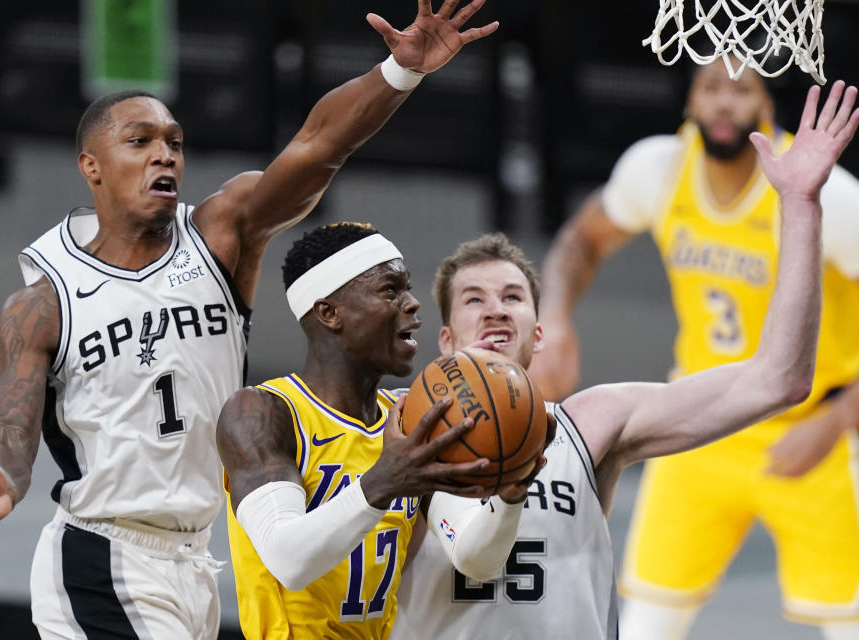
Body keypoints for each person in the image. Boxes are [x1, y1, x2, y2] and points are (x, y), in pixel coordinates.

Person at [0, 2, 499, 638]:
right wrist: (0, 473)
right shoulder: (44, 299)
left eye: (174, 143)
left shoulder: (220, 236)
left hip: (195, 562)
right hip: (100, 552)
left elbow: (316, 148)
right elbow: (11, 423)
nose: (164, 156)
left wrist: (398, 72)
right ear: (90, 165)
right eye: (139, 142)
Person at [392, 80, 859, 640]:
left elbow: (779, 378)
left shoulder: (593, 421)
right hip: (702, 450)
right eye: (474, 299)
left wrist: (802, 205)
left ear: (536, 335)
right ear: (443, 339)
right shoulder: (395, 428)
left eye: (514, 297)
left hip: (814, 431)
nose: (495, 311)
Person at [534, 61, 859, 640]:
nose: (724, 104)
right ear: (689, 99)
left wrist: (837, 420)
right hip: (700, 418)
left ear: (768, 105)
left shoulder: (827, 192)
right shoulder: (657, 169)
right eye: (711, 87)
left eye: (742, 90)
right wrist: (555, 318)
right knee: (646, 623)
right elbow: (582, 239)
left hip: (816, 432)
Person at [216, 221, 550, 639]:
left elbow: (475, 558)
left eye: (408, 289)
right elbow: (288, 560)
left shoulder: (411, 416)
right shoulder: (262, 412)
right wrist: (382, 483)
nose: (413, 305)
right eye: (391, 291)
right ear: (329, 313)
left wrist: (509, 495)